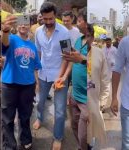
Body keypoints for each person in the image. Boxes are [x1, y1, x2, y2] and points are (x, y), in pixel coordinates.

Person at [32, 2, 71, 150]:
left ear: (56, 16)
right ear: (41, 17)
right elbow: (38, 53)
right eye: (45, 19)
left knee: (60, 110)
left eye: (51, 19)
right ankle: (40, 118)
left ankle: (58, 137)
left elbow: (66, 57)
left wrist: (60, 77)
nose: (48, 22)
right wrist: (35, 75)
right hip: (43, 74)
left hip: (59, 75)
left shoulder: (64, 33)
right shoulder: (38, 32)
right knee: (40, 102)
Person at [1, 15, 41, 150]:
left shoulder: (33, 46)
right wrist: (5, 31)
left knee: (25, 116)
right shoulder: (11, 39)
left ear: (30, 25)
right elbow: (4, 43)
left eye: (26, 23)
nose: (23, 26)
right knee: (8, 117)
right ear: (17, 25)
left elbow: (35, 67)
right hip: (10, 84)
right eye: (21, 23)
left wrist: (37, 84)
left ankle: (25, 139)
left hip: (28, 86)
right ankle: (9, 144)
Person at [62, 9, 89, 150]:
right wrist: (65, 76)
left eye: (79, 21)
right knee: (74, 125)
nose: (77, 24)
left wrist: (83, 60)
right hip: (75, 94)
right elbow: (73, 60)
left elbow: (98, 66)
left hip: (88, 97)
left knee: (84, 133)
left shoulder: (95, 43)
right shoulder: (79, 40)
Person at [110, 36, 129, 150]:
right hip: (128, 102)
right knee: (127, 142)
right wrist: (114, 98)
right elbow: (117, 70)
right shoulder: (125, 42)